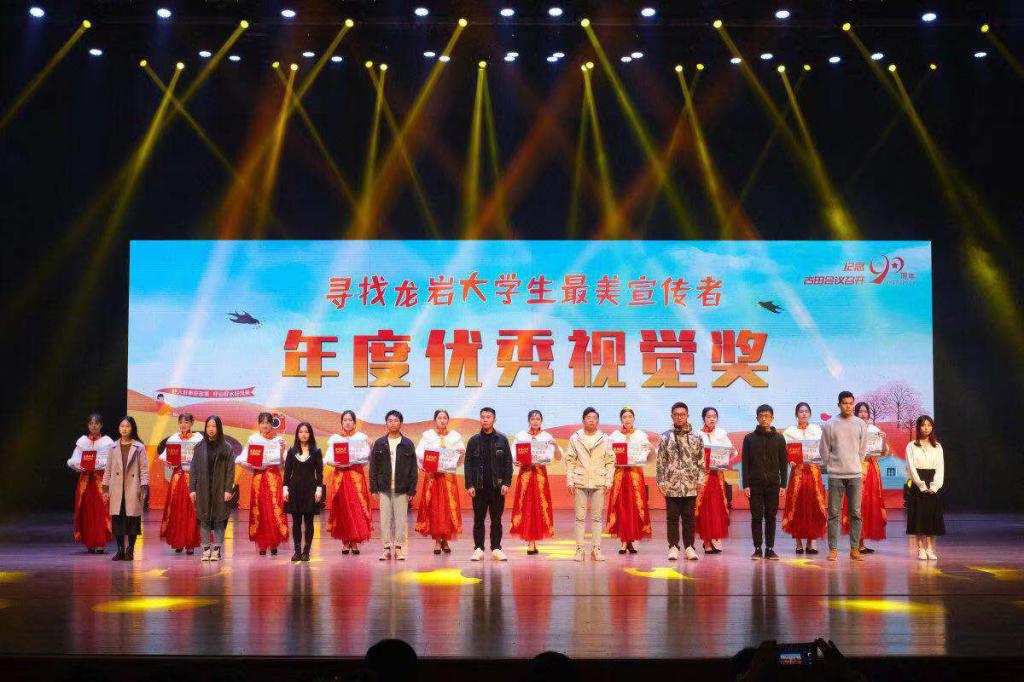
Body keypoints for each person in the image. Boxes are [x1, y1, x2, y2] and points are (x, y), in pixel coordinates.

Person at [819, 390, 868, 562]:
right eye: (845, 403)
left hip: (854, 475)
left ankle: (854, 549)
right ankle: (833, 549)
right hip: (836, 475)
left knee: (856, 513)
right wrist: (831, 465)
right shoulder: (830, 424)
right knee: (833, 513)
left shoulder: (860, 424)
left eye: (851, 403)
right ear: (839, 404)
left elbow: (863, 449)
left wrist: (856, 464)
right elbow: (824, 449)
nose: (848, 406)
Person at [656, 402, 706, 561]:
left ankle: (689, 547)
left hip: (690, 484)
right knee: (672, 518)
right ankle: (673, 547)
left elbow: (701, 460)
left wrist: (700, 480)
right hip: (671, 485)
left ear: (687, 416)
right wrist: (660, 481)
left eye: (682, 414)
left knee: (689, 518)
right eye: (676, 414)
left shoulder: (696, 436)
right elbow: (660, 461)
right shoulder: (665, 437)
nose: (679, 417)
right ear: (672, 416)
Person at [564, 407, 614, 562]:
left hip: (599, 481)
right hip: (580, 481)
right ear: (583, 420)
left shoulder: (605, 438)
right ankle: (579, 550)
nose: (592, 420)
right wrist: (570, 480)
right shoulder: (575, 438)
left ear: (598, 421)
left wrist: (608, 480)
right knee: (579, 518)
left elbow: (610, 461)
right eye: (588, 417)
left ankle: (596, 550)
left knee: (597, 518)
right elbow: (570, 460)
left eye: (594, 418)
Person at [464, 407, 514, 561]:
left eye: (488, 417)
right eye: (482, 417)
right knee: (478, 520)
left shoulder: (502, 440)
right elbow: (468, 464)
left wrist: (506, 483)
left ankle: (496, 548)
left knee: (496, 520)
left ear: (494, 420)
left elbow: (508, 463)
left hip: (497, 488)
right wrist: (469, 485)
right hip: (478, 488)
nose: (485, 419)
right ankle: (478, 548)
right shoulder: (473, 441)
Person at [414, 409, 466, 555]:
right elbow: (419, 453)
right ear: (435, 420)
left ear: (448, 420)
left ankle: (446, 539)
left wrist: (460, 454)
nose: (442, 420)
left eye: (444, 418)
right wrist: (431, 458)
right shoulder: (428, 436)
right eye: (439, 418)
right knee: (434, 507)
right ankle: (437, 540)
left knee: (448, 507)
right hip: (433, 478)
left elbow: (460, 454)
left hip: (448, 478)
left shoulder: (455, 436)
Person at [237, 412, 289, 556]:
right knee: (259, 508)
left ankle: (274, 542)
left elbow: (284, 463)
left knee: (274, 508)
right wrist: (252, 464)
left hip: (274, 478)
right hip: (258, 478)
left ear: (272, 424)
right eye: (262, 423)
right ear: (259, 424)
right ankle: (262, 543)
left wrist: (283, 449)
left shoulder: (279, 440)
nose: (265, 426)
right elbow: (242, 459)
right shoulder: (254, 439)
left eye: (267, 423)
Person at [369, 410, 418, 561]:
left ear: (401, 423)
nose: (393, 423)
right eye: (390, 420)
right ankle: (386, 549)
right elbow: (373, 467)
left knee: (400, 520)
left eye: (396, 420)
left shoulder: (407, 443)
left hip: (402, 488)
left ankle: (398, 548)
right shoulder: (379, 443)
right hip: (384, 488)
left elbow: (413, 468)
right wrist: (373, 488)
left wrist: (412, 490)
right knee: (385, 520)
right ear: (386, 423)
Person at [741, 405, 788, 561]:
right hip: (755, 484)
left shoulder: (779, 438)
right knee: (756, 516)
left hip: (773, 484)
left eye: (767, 416)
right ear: (757, 418)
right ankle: (757, 549)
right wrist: (746, 484)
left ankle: (770, 549)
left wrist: (783, 484)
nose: (764, 418)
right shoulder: (749, 438)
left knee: (771, 517)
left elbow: (783, 463)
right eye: (761, 416)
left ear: (772, 418)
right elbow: (745, 463)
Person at [510, 410, 558, 554]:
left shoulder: (546, 437)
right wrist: (514, 460)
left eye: (538, 419)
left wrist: (555, 446)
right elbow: (513, 454)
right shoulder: (521, 436)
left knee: (539, 506)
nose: (535, 421)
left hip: (540, 477)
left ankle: (533, 541)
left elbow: (558, 457)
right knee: (526, 506)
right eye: (532, 419)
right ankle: (531, 542)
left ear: (541, 421)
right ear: (529, 420)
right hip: (525, 476)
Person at [325, 410, 372, 555]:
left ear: (354, 423)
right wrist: (333, 462)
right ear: (341, 423)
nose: (347, 422)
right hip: (340, 477)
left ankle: (355, 541)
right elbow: (327, 458)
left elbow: (366, 458)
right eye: (345, 420)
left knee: (357, 507)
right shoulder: (335, 439)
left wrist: (369, 447)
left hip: (356, 476)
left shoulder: (361, 438)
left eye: (350, 420)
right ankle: (346, 541)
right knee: (343, 508)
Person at [102, 416, 149, 562]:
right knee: (118, 520)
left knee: (132, 520)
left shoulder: (139, 447)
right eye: (122, 426)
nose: (124, 429)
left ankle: (130, 550)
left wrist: (144, 486)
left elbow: (144, 469)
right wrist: (105, 487)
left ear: (132, 428)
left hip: (132, 488)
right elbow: (108, 469)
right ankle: (120, 550)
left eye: (127, 426)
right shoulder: (113, 447)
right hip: (117, 488)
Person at [606, 407, 653, 554]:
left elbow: (649, 457)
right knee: (621, 507)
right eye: (624, 417)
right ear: (621, 419)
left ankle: (631, 540)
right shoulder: (614, 436)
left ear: (634, 419)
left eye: (630, 416)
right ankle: (623, 541)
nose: (627, 419)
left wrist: (650, 448)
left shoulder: (641, 435)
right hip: (620, 475)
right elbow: (608, 456)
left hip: (635, 475)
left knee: (635, 507)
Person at [781, 403, 826, 555]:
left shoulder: (817, 430)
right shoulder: (790, 432)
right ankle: (798, 542)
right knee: (797, 505)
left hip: (813, 472)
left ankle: (812, 542)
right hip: (798, 473)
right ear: (796, 414)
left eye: (806, 411)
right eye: (801, 411)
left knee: (814, 504)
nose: (804, 414)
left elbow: (823, 448)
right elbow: (785, 452)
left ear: (810, 414)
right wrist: (789, 460)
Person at [190, 415, 235, 562]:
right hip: (203, 488)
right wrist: (192, 489)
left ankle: (217, 549)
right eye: (208, 426)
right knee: (204, 518)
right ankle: (206, 549)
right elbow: (193, 469)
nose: (211, 429)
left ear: (219, 428)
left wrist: (228, 490)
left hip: (220, 488)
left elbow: (230, 470)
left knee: (219, 519)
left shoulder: (227, 447)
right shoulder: (199, 447)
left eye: (214, 426)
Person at [845, 401, 888, 554]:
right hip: (856, 469)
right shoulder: (851, 429)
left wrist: (884, 439)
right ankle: (857, 543)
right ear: (855, 414)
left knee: (870, 504)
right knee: (857, 505)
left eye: (865, 411)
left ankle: (861, 542)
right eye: (860, 411)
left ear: (868, 414)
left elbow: (883, 452)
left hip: (871, 471)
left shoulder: (874, 430)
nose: (863, 414)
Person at [67, 413, 113, 554]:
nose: (94, 426)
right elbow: (73, 460)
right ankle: (90, 542)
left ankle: (100, 543)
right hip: (86, 481)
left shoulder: (107, 442)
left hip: (100, 480)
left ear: (101, 425)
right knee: (87, 511)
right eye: (91, 423)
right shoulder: (82, 442)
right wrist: (80, 465)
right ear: (88, 425)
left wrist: (97, 465)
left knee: (100, 510)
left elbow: (111, 460)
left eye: (96, 423)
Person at [158, 413, 202, 555]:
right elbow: (163, 456)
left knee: (191, 510)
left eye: (186, 422)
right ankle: (178, 541)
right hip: (177, 477)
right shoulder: (174, 438)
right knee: (176, 508)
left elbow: (203, 457)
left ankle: (190, 542)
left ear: (192, 423)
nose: (183, 425)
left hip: (192, 477)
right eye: (181, 422)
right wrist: (169, 461)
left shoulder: (198, 439)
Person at [905, 415, 945, 560]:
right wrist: (921, 485)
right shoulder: (911, 446)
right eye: (923, 425)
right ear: (918, 427)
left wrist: (934, 486)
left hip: (933, 483)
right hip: (918, 484)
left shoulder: (937, 446)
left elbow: (940, 468)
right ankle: (921, 548)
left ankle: (930, 549)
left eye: (929, 425)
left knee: (931, 517)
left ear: (932, 427)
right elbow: (911, 467)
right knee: (919, 517)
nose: (926, 428)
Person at [283, 422, 324, 562]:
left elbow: (319, 473)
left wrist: (319, 489)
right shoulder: (291, 451)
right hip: (294, 490)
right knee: (296, 522)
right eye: (301, 432)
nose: (303, 434)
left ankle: (306, 552)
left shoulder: (316, 452)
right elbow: (287, 472)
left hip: (310, 490)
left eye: (306, 432)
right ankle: (297, 551)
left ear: (310, 434)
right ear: (297, 434)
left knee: (309, 522)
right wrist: (285, 488)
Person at [695, 406, 731, 554]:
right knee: (704, 509)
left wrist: (726, 455)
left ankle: (716, 538)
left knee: (716, 507)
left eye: (714, 416)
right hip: (703, 477)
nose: (712, 419)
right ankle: (706, 541)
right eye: (709, 417)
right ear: (703, 418)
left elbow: (733, 451)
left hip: (717, 477)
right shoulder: (697, 435)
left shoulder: (722, 434)